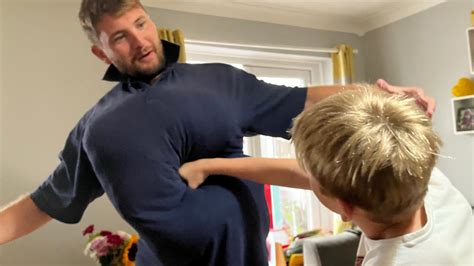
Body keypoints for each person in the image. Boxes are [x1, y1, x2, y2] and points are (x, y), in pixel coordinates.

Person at [0, 0, 436, 265]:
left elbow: (302, 98)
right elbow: (45, 202)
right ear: (102, 51)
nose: (140, 41)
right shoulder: (94, 129)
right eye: (120, 36)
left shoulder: (220, 81)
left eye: (141, 23)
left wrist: (383, 94)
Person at [179, 85, 472, 265]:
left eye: (313, 179)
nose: (305, 175)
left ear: (345, 207)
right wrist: (209, 165)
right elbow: (297, 174)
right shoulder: (419, 176)